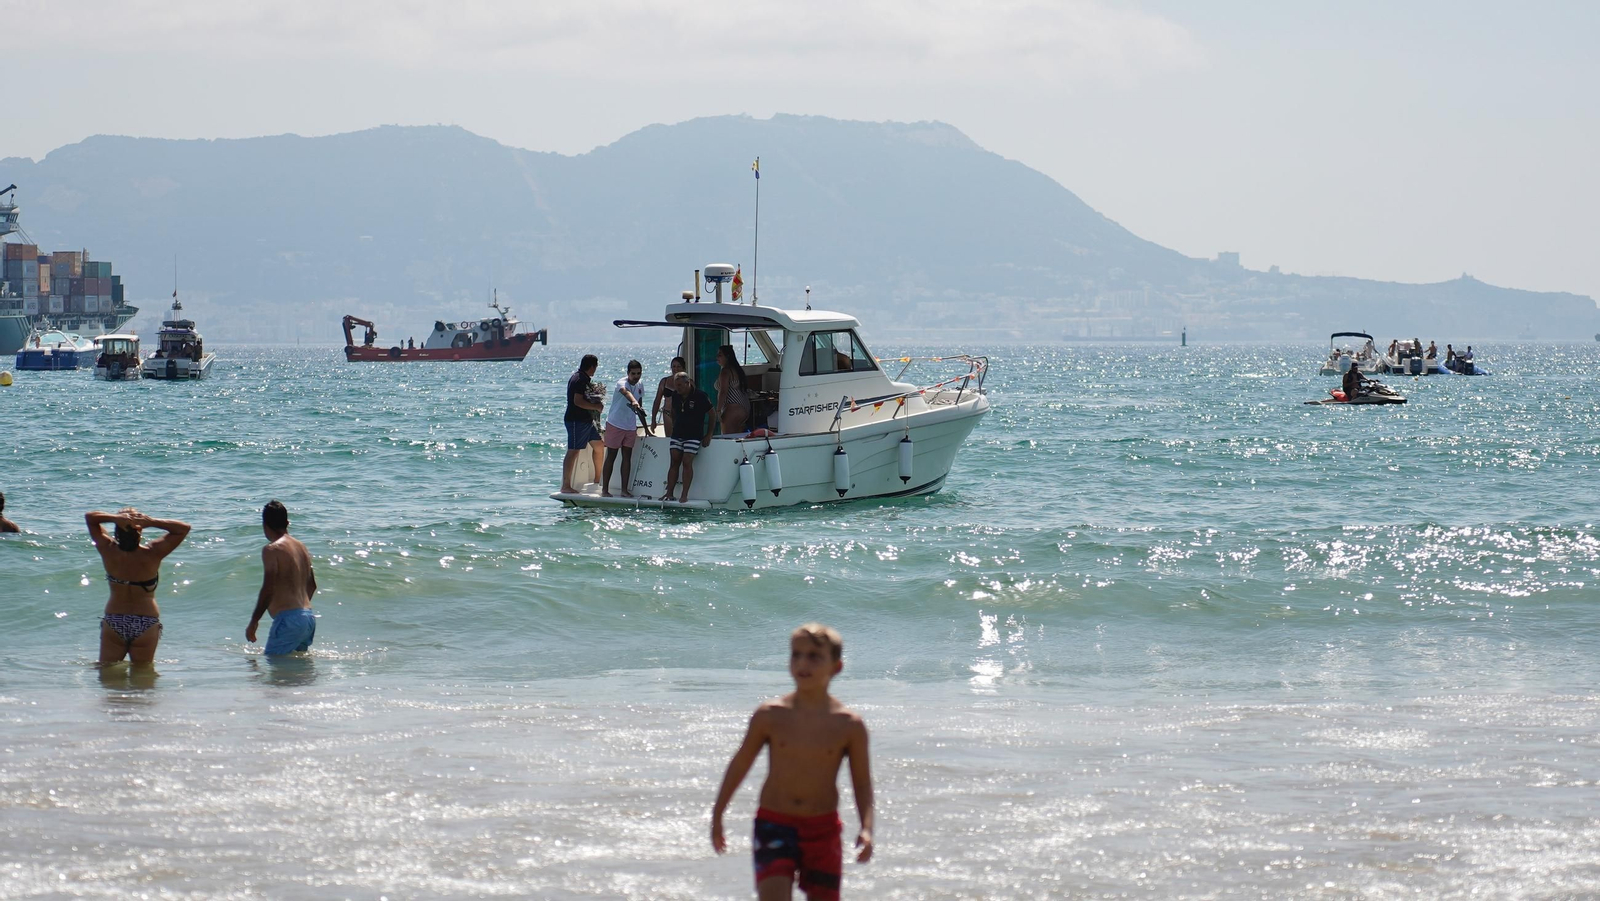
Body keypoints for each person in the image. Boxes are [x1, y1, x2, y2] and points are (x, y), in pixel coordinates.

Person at [711, 623, 875, 901]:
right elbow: (740, 764)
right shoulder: (770, 715)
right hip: (774, 824)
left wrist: (867, 827)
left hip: (822, 830)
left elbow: (861, 782)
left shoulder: (849, 725)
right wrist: (718, 815)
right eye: (796, 654)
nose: (802, 663)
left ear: (836, 666)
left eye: (814, 656)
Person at [86, 508, 191, 665]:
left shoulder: (107, 549)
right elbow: (183, 528)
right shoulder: (153, 552)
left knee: (107, 672)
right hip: (146, 621)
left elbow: (90, 518)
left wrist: (115, 518)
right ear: (140, 532)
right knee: (143, 675)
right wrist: (151, 522)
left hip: (115, 619)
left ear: (116, 531)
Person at [246, 500, 318, 656]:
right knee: (297, 673)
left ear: (265, 525)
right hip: (308, 617)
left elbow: (268, 588)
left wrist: (254, 622)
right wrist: (299, 614)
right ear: (287, 522)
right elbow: (312, 585)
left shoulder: (272, 549)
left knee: (274, 668)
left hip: (289, 620)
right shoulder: (302, 547)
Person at [662, 373, 713, 504]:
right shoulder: (675, 395)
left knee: (687, 461)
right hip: (678, 433)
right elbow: (673, 411)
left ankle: (684, 494)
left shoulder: (700, 396)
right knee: (674, 461)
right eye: (675, 385)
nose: (677, 388)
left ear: (687, 383)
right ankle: (669, 493)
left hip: (694, 434)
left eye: (679, 385)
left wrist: (709, 434)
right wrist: (674, 425)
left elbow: (712, 414)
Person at [601, 360, 649, 498]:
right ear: (628, 373)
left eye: (639, 373)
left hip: (630, 426)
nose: (636, 376)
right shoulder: (622, 383)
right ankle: (605, 490)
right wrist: (633, 401)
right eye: (633, 373)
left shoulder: (640, 385)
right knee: (611, 456)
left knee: (627, 457)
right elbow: (626, 392)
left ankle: (624, 490)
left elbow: (640, 408)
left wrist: (646, 428)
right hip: (615, 424)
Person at [561, 354, 604, 495]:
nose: (595, 370)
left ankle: (598, 479)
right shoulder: (579, 379)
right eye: (595, 367)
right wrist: (596, 407)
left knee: (599, 446)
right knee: (573, 451)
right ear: (592, 366)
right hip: (576, 420)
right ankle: (565, 485)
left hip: (587, 421)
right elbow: (577, 401)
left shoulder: (583, 378)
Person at [714, 344, 751, 436]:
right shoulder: (737, 370)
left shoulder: (725, 371)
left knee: (728, 439)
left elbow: (723, 392)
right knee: (739, 439)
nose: (717, 357)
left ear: (727, 356)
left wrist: (718, 410)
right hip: (744, 408)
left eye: (720, 355)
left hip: (732, 408)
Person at [651, 356, 687, 437]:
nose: (676, 369)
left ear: (683, 368)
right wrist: (653, 419)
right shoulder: (664, 382)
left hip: (682, 414)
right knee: (669, 439)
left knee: (682, 438)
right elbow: (657, 401)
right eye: (674, 366)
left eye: (678, 366)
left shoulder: (688, 383)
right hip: (668, 414)